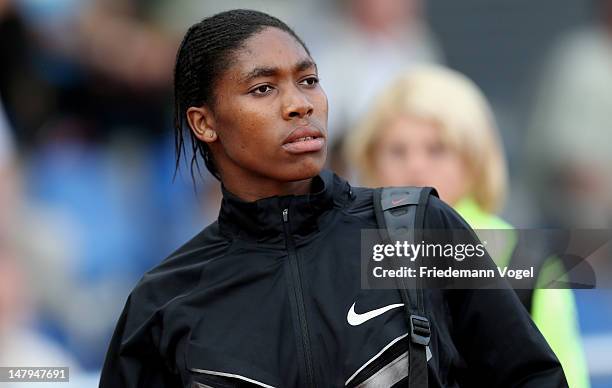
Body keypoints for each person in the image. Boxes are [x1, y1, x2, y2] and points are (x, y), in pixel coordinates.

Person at [99, 10, 567, 387]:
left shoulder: (418, 227)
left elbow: (534, 376)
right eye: (264, 88)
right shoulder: (162, 303)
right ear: (204, 123)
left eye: (307, 80)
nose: (300, 103)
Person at [345, 64, 588, 388]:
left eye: (437, 149)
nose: (415, 166)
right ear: (370, 162)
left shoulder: (525, 259)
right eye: (397, 150)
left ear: (475, 160)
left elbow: (566, 378)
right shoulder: (344, 251)